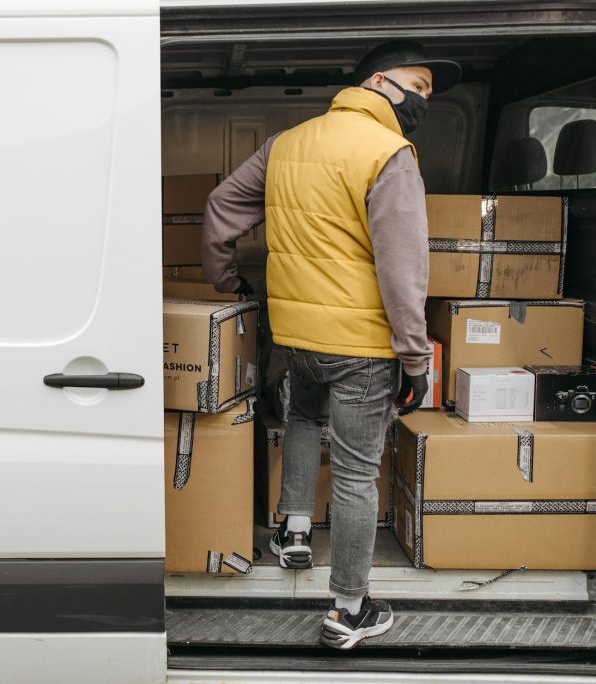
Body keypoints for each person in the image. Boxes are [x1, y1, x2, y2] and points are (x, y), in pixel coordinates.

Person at [202, 41, 461, 650]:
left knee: (301, 416)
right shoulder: (390, 153)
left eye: (430, 90)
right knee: (353, 474)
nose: (424, 98)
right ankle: (350, 608)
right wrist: (416, 357)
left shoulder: (288, 143)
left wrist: (228, 284)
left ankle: (293, 532)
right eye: (417, 85)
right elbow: (404, 268)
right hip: (362, 347)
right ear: (378, 81)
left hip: (296, 335)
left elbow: (220, 207)